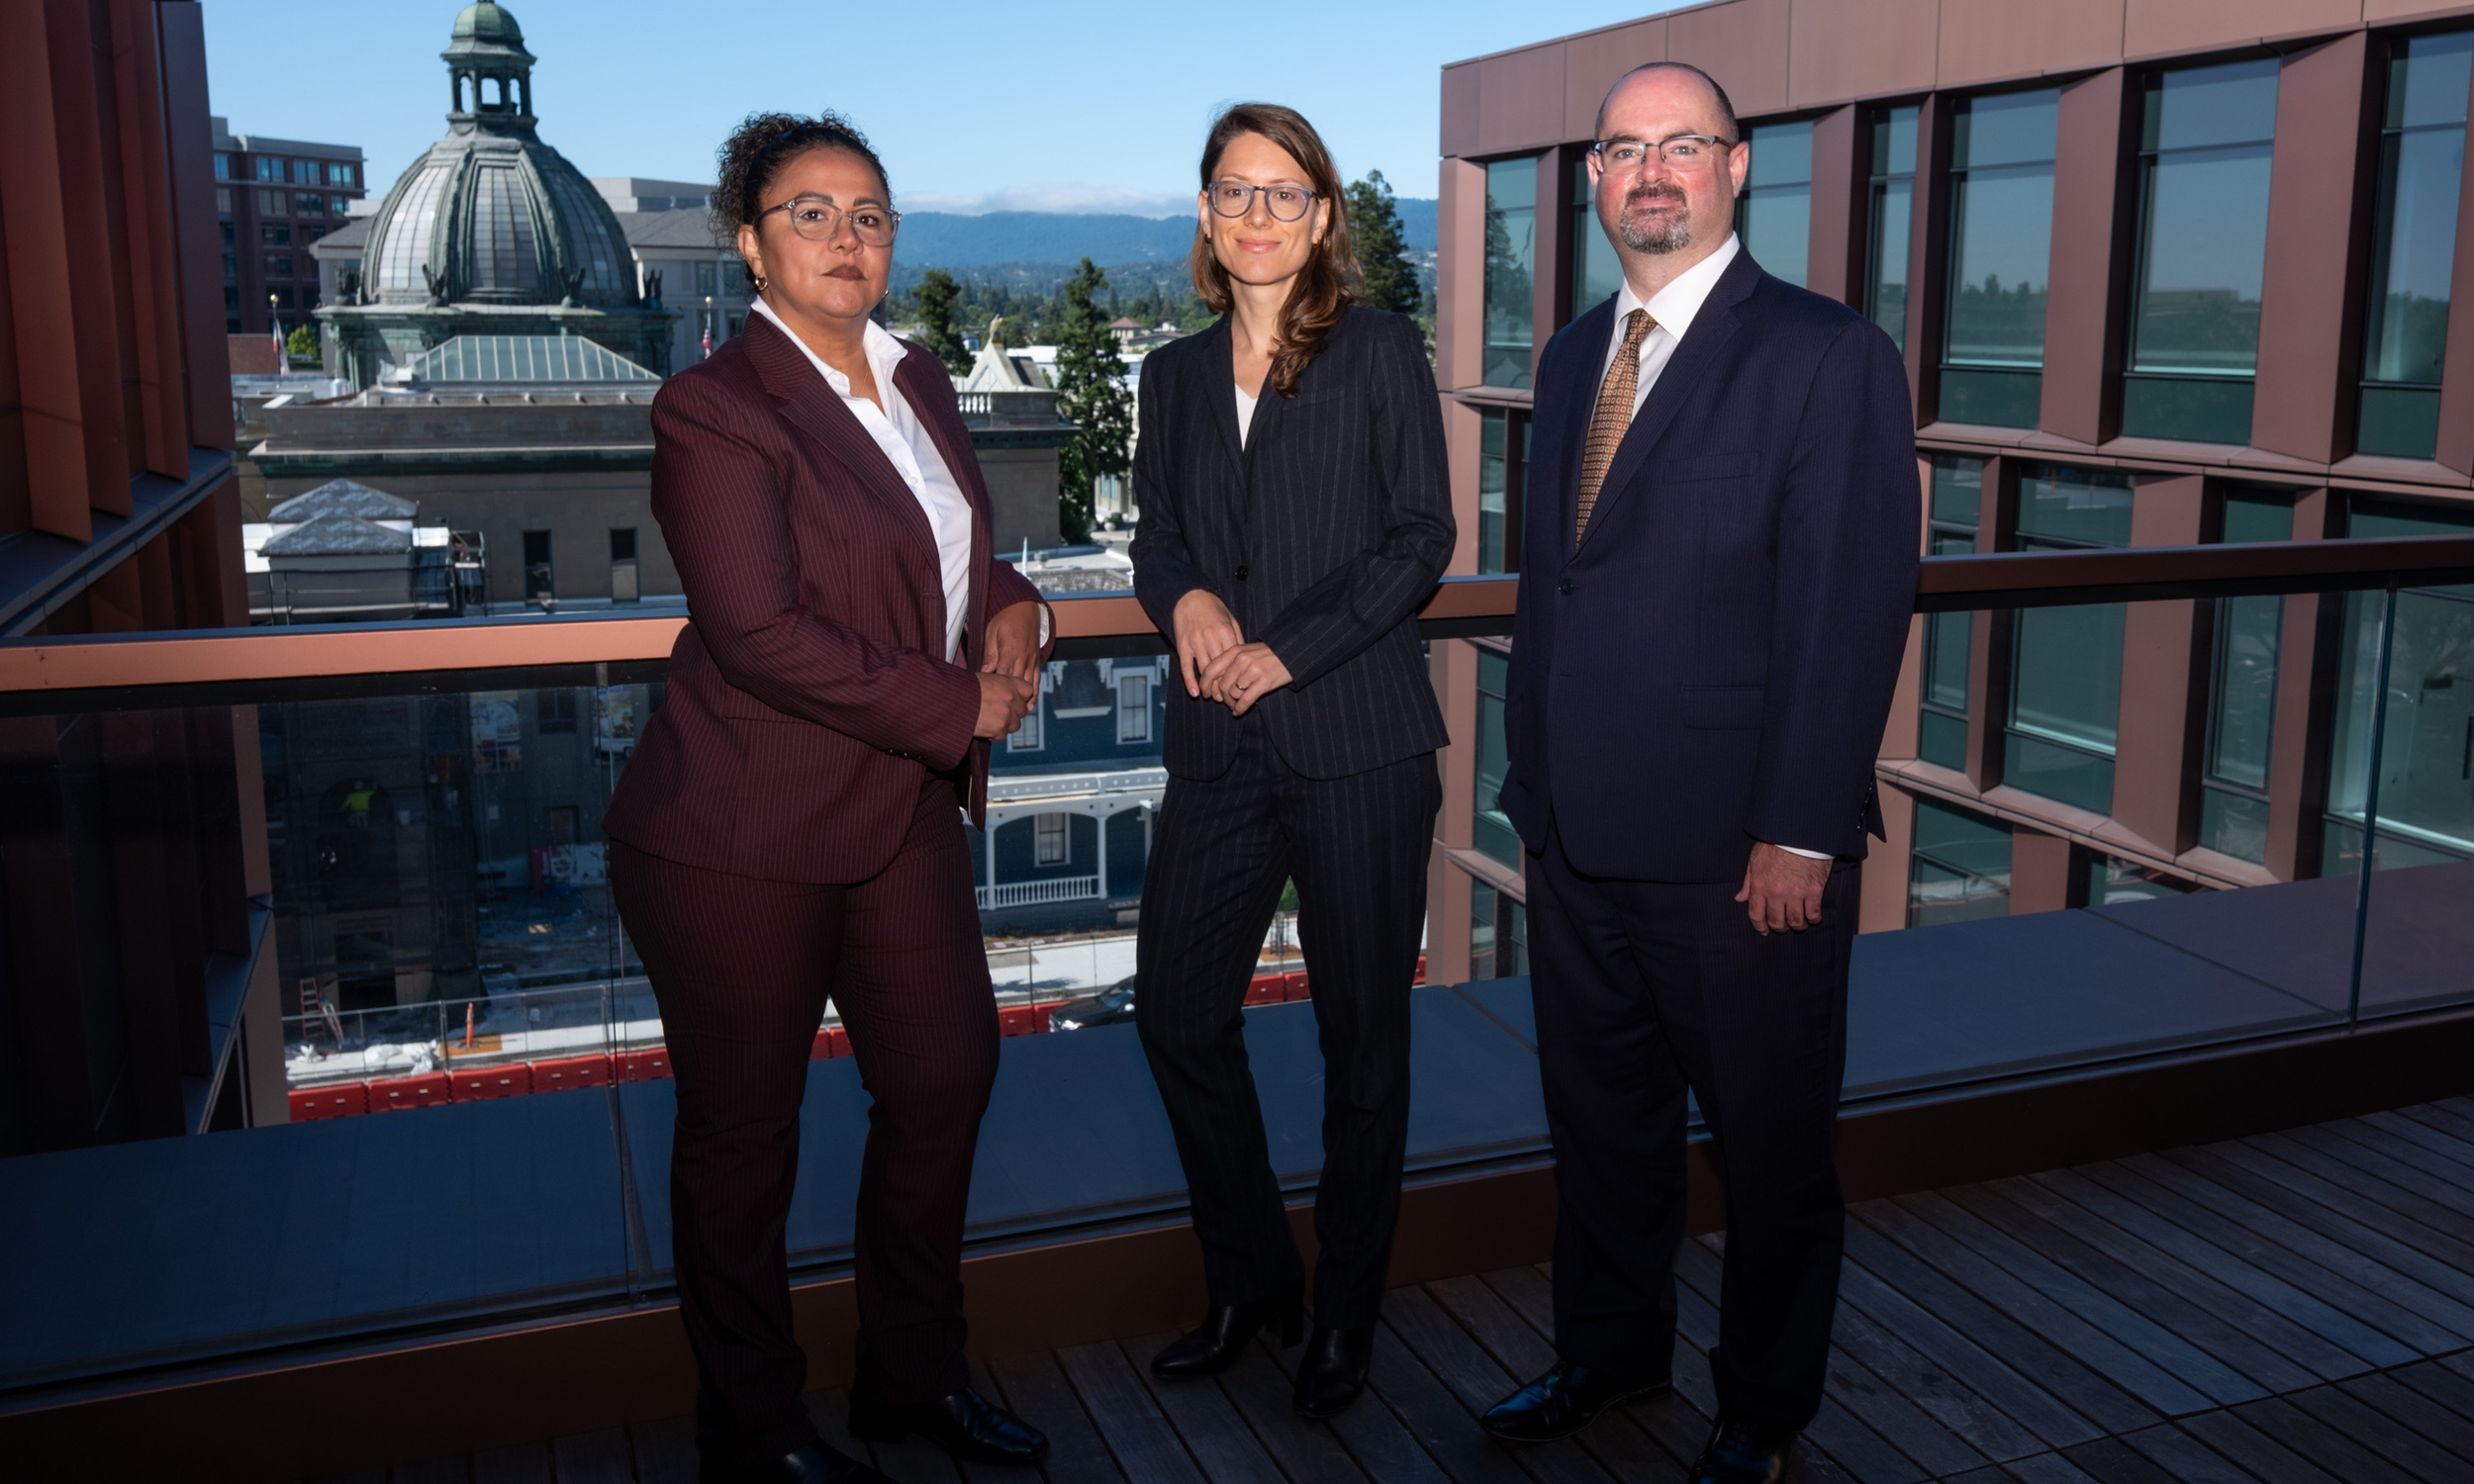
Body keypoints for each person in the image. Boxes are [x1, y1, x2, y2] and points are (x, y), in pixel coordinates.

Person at [1475, 63, 1918, 1484]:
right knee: (1602, 1133)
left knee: (1775, 1153)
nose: (1649, 171)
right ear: (1593, 180)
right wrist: (1528, 793)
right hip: (1577, 836)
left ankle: (1766, 1408)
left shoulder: (1824, 354)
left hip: (1744, 856)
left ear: (1737, 168)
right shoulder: (1567, 356)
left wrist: (1801, 829)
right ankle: (1609, 1355)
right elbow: (1559, 590)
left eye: (1681, 145)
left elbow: (1850, 606)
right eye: (1622, 149)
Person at [601, 112, 1055, 1484]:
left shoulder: (914, 381)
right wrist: (955, 706)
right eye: (812, 212)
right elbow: (758, 631)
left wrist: (1024, 614)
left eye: (870, 213)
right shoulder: (716, 406)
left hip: (894, 817)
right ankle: (751, 1431)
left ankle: (910, 1382)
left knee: (944, 1081)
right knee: (744, 1143)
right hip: (739, 834)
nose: (848, 236)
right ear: (749, 243)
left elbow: (945, 557)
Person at [1128, 103, 1454, 1421]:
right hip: (1219, 748)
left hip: (1359, 740)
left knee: (1362, 1042)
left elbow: (1419, 539)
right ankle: (1254, 1273)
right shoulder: (1170, 376)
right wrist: (1189, 602)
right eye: (1233, 192)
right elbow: (1156, 539)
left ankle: (1345, 1312)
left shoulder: (1380, 352)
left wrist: (1288, 649)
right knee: (1175, 1013)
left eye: (1284, 193)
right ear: (1206, 216)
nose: (1257, 216)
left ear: (1323, 217)